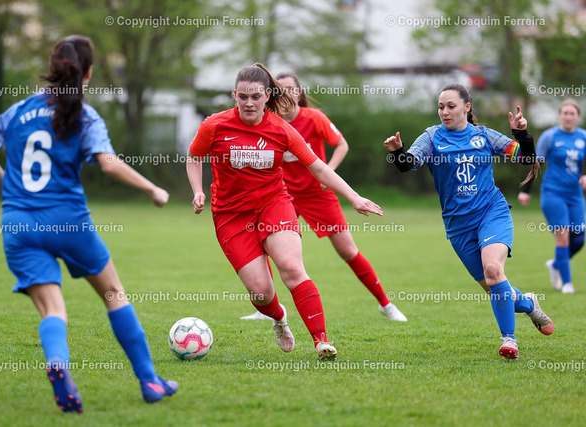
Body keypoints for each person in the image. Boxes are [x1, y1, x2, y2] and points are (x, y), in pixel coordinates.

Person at [0, 35, 177, 413]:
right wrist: (153, 188)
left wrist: (10, 190)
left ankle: (58, 364)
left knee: (52, 308)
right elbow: (108, 163)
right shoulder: (84, 115)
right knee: (113, 294)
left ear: (53, 68)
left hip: (18, 223)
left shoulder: (18, 110)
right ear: (89, 72)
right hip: (68, 221)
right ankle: (150, 381)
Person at [186, 63, 383, 360]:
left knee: (291, 267)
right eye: (243, 97)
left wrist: (353, 197)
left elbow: (318, 167)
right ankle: (279, 317)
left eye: (255, 97)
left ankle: (321, 341)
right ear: (234, 95)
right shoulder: (214, 125)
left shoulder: (281, 129)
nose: (249, 103)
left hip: (273, 204)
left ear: (267, 96)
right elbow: (194, 156)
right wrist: (198, 190)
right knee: (260, 292)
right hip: (231, 214)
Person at [383, 83, 553, 359]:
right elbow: (408, 163)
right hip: (458, 227)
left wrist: (522, 134)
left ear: (467, 107)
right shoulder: (432, 137)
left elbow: (526, 158)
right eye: (441, 107)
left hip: (491, 212)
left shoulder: (484, 136)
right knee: (496, 287)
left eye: (451, 106)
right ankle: (529, 304)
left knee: (493, 270)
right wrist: (398, 150)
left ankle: (509, 339)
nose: (445, 112)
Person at [241, 71, 406, 322]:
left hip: (317, 194)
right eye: (280, 89)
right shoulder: (269, 121)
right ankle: (265, 308)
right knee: (266, 245)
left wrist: (329, 170)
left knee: (348, 251)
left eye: (290, 88)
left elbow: (342, 144)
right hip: (281, 196)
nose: (286, 94)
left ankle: (386, 304)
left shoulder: (314, 118)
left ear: (299, 92)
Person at [518, 99, 586, 294]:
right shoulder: (550, 137)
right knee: (563, 237)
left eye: (572, 113)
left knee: (579, 238)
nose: (568, 117)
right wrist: (525, 190)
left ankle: (556, 264)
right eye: (565, 113)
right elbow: (536, 164)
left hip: (575, 195)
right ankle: (567, 284)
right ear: (559, 116)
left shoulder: (583, 137)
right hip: (553, 193)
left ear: (578, 117)